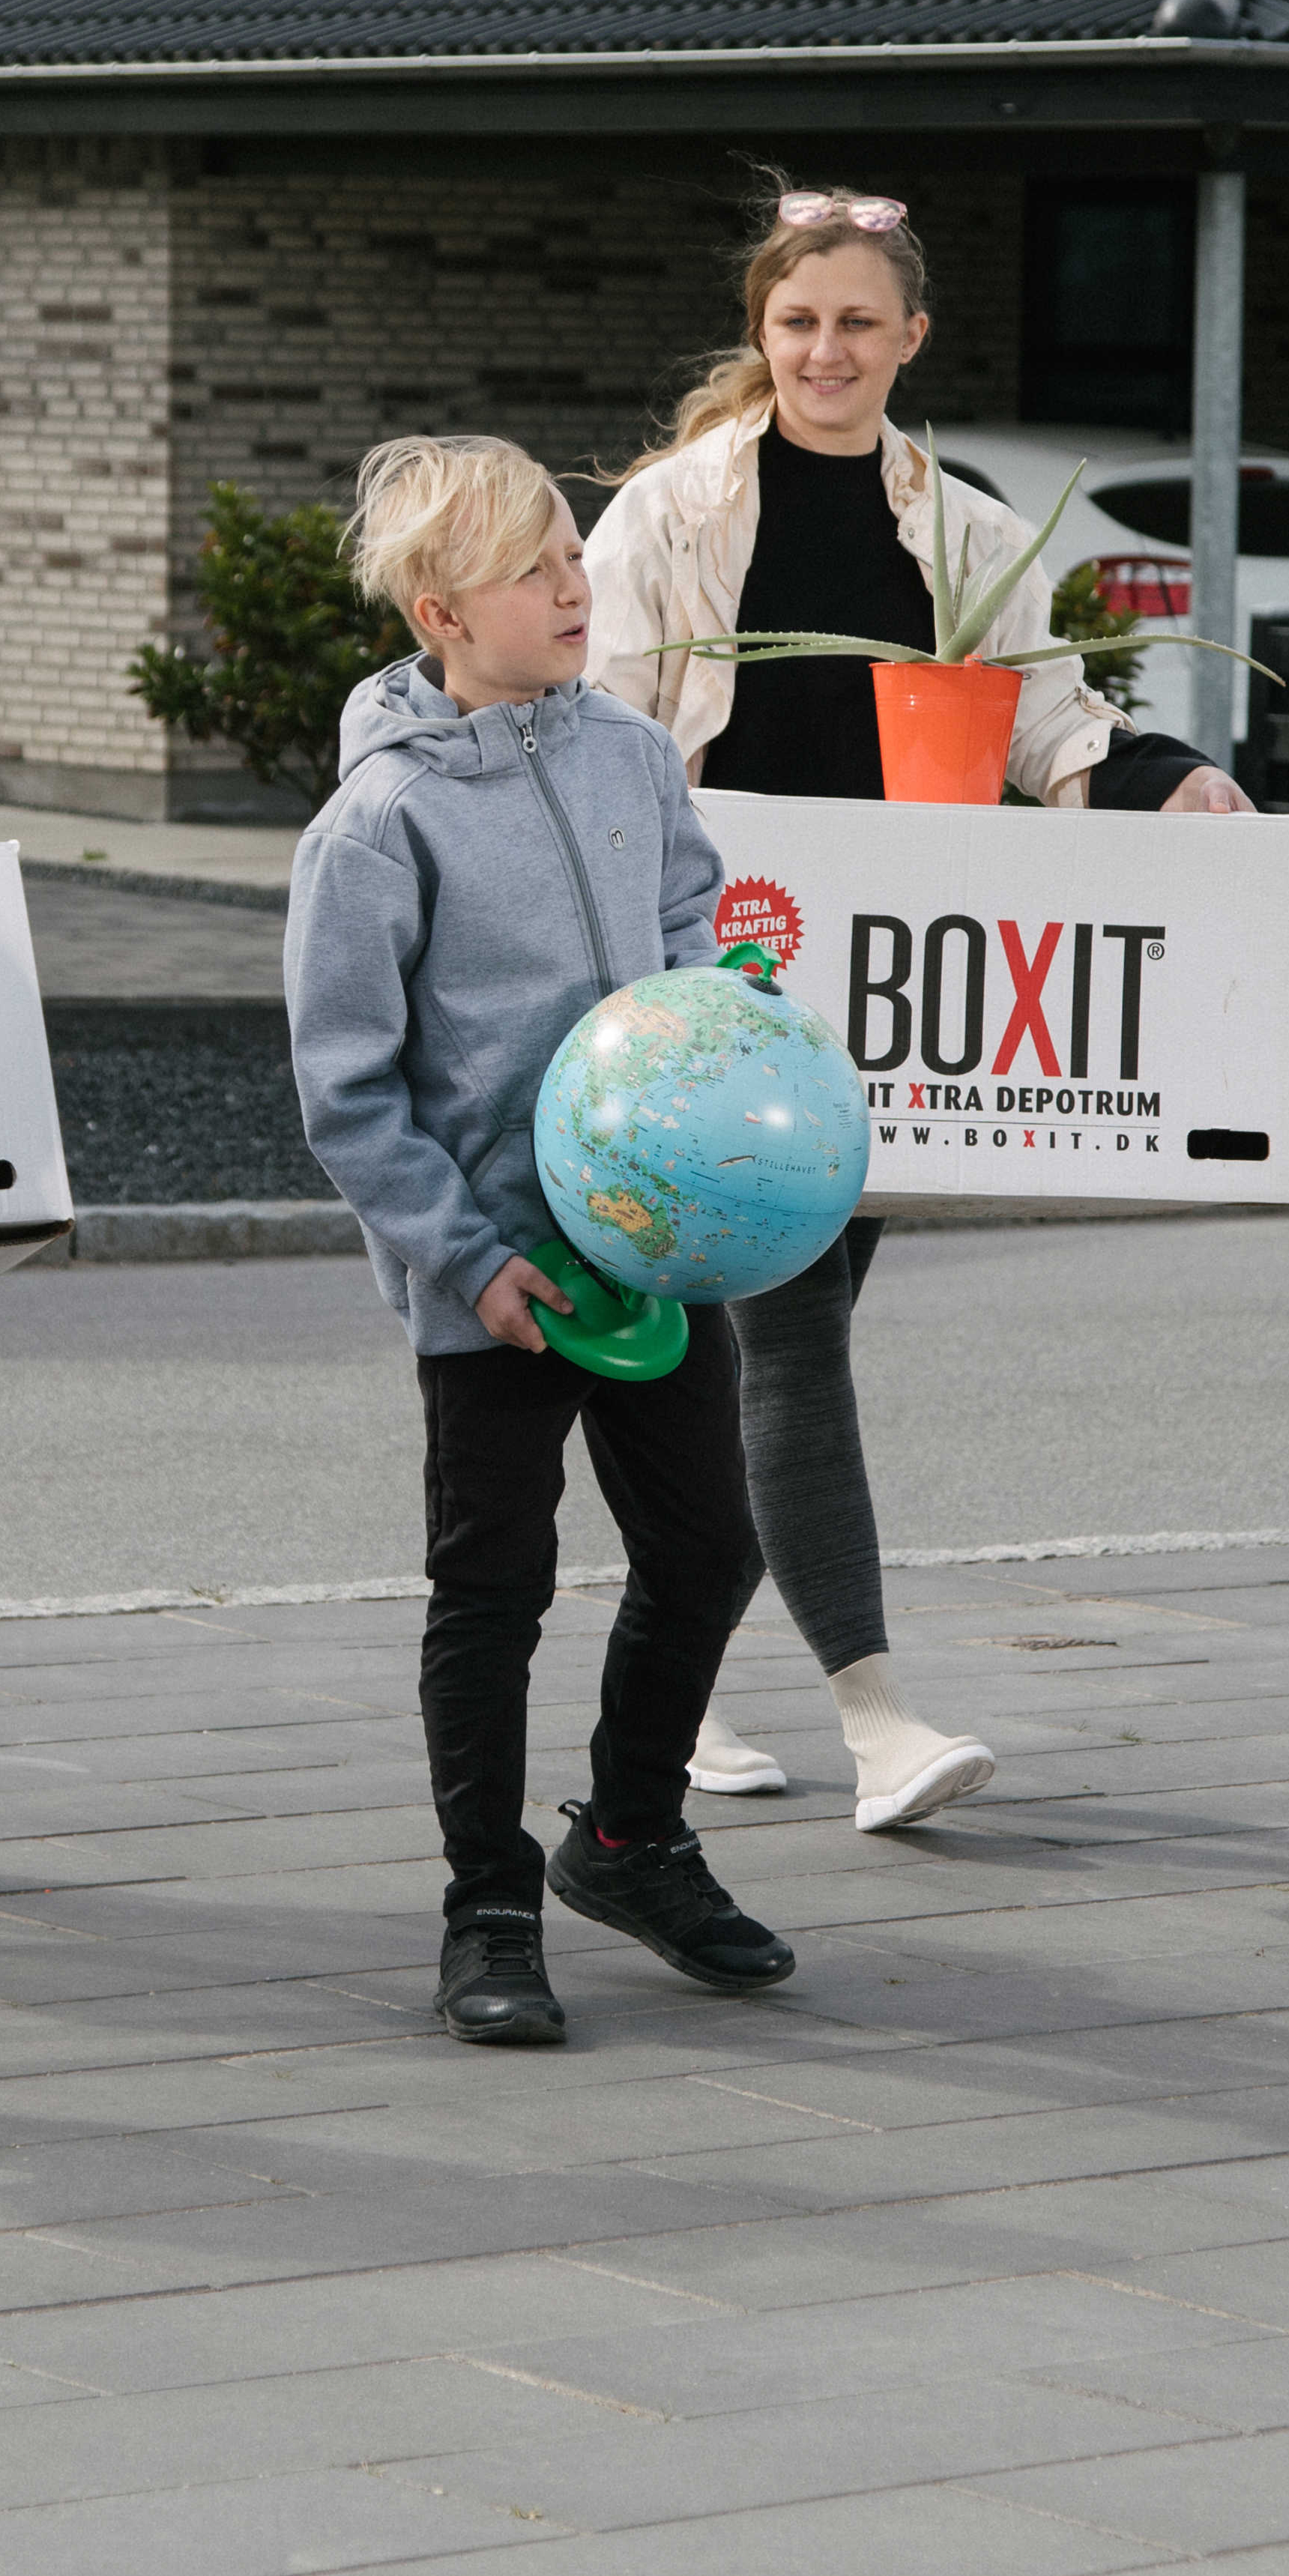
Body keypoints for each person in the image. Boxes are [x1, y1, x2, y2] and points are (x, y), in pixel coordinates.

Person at [583, 185, 1258, 1833]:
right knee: (792, 1332)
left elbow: (1047, 724)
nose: (824, 350)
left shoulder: (961, 529)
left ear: (911, 340)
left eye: (857, 323)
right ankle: (876, 1716)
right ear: (763, 330)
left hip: (885, 996)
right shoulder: (668, 517)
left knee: (755, 1358)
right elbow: (595, 735)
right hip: (708, 982)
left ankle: (668, 1693)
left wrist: (1168, 779)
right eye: (797, 320)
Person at [288, 432, 800, 2048]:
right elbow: (347, 1093)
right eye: (532, 571)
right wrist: (464, 1258)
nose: (576, 587)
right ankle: (488, 1908)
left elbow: (687, 928)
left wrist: (721, 1021)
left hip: (653, 1247)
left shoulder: (634, 754)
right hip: (499, 1279)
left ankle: (631, 1837)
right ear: (440, 614)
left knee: (709, 1550)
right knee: (491, 1592)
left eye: (575, 553)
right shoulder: (377, 824)